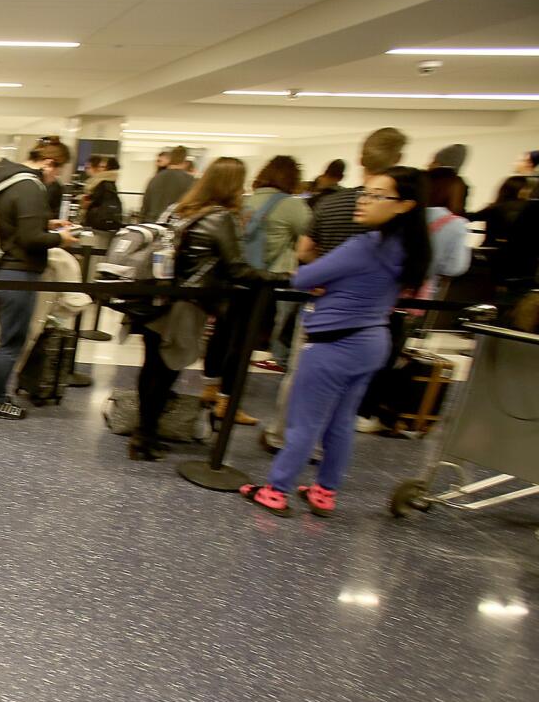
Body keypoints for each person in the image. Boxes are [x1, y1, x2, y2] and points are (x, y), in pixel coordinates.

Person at [241, 167, 431, 517]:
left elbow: (305, 277)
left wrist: (324, 281)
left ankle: (276, 490)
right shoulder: (407, 247)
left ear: (404, 205)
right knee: (341, 423)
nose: (364, 201)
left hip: (333, 344)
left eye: (378, 195)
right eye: (366, 192)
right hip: (372, 341)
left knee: (305, 422)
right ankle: (324, 491)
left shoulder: (366, 246)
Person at [262, 127, 408, 452]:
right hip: (371, 316)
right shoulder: (401, 222)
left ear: (361, 159)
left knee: (302, 376)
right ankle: (319, 454)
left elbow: (304, 251)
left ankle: (283, 439)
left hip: (324, 305)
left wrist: (325, 274)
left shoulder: (333, 204)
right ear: (398, 161)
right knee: (346, 397)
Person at [129, 157, 285, 460]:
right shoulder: (220, 217)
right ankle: (144, 435)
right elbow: (237, 268)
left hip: (156, 297)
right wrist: (280, 277)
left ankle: (143, 432)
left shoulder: (180, 209)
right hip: (185, 306)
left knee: (152, 368)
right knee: (166, 371)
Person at [0, 137, 79, 420]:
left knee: (9, 339)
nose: (56, 177)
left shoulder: (7, 180)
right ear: (49, 163)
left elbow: (13, 224)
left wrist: (46, 224)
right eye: (57, 171)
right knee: (12, 341)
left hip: (4, 270)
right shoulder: (29, 186)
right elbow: (29, 238)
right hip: (19, 272)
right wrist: (59, 238)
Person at [243, 155, 311, 374]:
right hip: (279, 275)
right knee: (283, 324)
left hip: (246, 274)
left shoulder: (247, 201)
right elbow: (311, 237)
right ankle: (280, 359)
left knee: (240, 331)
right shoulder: (292, 204)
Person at [140, 145, 194, 222]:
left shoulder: (155, 178)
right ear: (184, 160)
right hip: (174, 225)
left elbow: (145, 206)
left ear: (171, 159)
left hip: (152, 224)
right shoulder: (190, 180)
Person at [428, 143, 469, 215]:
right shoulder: (460, 184)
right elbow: (459, 213)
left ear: (440, 164)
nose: (428, 164)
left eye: (434, 161)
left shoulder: (423, 180)